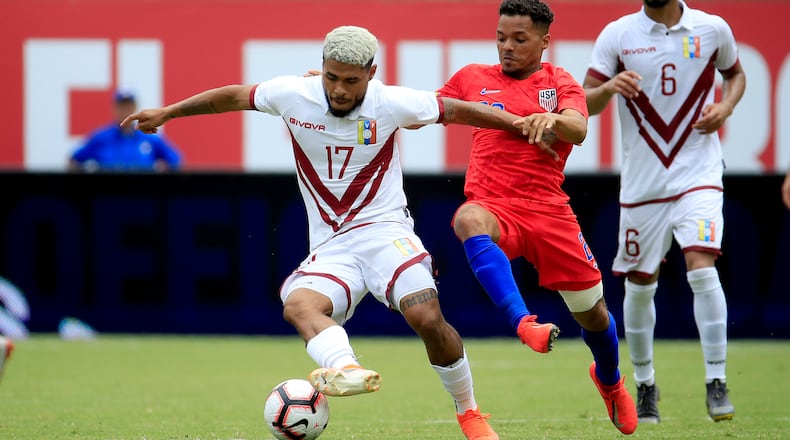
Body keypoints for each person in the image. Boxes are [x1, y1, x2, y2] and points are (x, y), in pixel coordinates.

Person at [119, 25, 548, 440]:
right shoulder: (294, 94)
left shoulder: (391, 102)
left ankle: (469, 412)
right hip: (333, 246)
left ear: (371, 75)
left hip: (386, 234)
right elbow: (232, 97)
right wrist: (169, 112)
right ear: (320, 67)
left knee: (427, 319)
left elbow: (455, 110)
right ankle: (344, 368)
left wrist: (521, 124)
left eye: (350, 81)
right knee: (297, 304)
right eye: (330, 77)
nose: (339, 89)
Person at [434, 0, 637, 434]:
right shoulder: (472, 77)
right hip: (494, 205)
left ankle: (610, 380)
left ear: (544, 41)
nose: (506, 47)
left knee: (594, 314)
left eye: (519, 39)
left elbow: (579, 129)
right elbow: (418, 109)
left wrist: (554, 119)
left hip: (549, 211)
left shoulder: (560, 81)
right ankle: (523, 322)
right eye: (501, 37)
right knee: (467, 218)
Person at [583, 0, 746, 424]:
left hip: (699, 173)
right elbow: (585, 101)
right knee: (640, 284)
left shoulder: (711, 28)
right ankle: (646, 384)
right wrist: (609, 88)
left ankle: (716, 380)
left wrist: (725, 108)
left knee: (701, 266)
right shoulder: (618, 34)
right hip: (643, 182)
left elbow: (736, 75)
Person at [69, 89, 182, 172]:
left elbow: (174, 159)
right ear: (114, 108)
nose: (125, 110)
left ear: (134, 107)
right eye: (122, 106)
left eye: (128, 106)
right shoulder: (101, 138)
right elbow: (74, 160)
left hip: (143, 196)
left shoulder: (148, 136)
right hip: (108, 196)